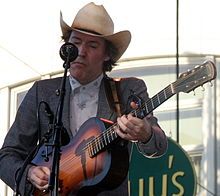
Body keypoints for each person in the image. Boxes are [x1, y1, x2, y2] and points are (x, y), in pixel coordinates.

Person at [0, 2, 168, 196]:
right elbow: (7, 156)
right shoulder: (42, 92)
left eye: (92, 45)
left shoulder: (128, 89)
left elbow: (158, 145)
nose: (80, 51)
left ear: (107, 54)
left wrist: (146, 132)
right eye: (76, 42)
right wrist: (29, 173)